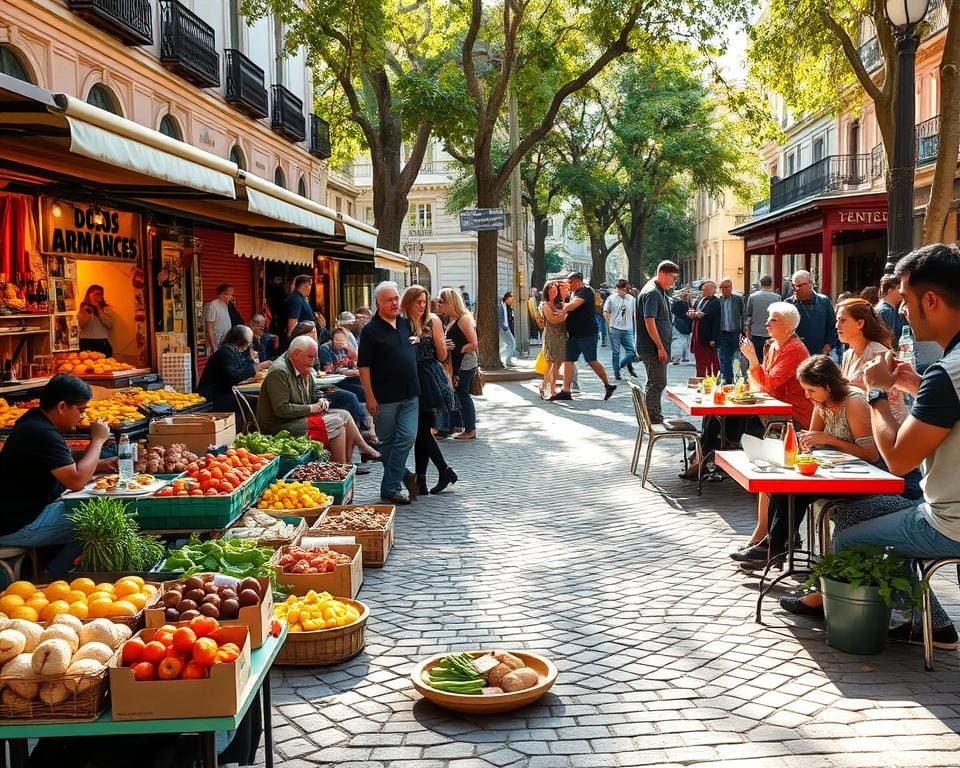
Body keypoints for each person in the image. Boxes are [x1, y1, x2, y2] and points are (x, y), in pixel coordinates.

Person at [779, 243, 960, 648]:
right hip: (939, 508)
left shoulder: (947, 371)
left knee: (850, 537)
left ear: (931, 301)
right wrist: (914, 385)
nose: (901, 311)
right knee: (850, 514)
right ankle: (930, 620)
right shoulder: (946, 371)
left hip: (945, 520)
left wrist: (877, 392)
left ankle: (918, 619)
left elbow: (895, 459)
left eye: (906, 301)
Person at [731, 355, 878, 566]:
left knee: (796, 490)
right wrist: (804, 443)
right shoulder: (822, 402)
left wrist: (828, 439)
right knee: (783, 485)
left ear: (827, 386)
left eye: (811, 390)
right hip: (836, 470)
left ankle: (774, 547)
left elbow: (870, 454)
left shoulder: (853, 402)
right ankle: (774, 545)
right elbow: (812, 437)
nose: (807, 396)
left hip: (863, 477)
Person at [0, 375, 116, 576]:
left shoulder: (33, 420)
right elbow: (77, 481)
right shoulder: (42, 432)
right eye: (80, 410)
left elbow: (59, 462)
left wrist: (99, 465)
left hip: (20, 516)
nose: (82, 417)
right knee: (103, 523)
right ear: (62, 406)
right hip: (18, 525)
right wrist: (98, 440)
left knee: (98, 511)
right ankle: (54, 578)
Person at [257, 336, 379, 466]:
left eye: (314, 358)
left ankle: (355, 454)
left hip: (297, 417)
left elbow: (314, 392)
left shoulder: (300, 364)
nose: (313, 362)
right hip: (281, 426)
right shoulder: (279, 372)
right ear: (296, 353)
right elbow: (281, 409)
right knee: (335, 422)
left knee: (344, 415)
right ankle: (340, 466)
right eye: (310, 357)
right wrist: (311, 408)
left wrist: (322, 400)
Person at [359, 281, 421, 504]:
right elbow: (363, 366)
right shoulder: (370, 330)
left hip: (410, 394)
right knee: (387, 443)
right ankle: (401, 478)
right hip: (384, 397)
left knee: (407, 436)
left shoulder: (406, 324)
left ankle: (390, 486)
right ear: (378, 302)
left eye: (396, 298)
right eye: (389, 300)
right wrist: (369, 396)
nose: (395, 303)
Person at [402, 285, 458, 495]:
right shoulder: (401, 323)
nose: (422, 305)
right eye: (418, 302)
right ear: (408, 302)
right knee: (421, 432)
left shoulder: (432, 320)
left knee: (422, 430)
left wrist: (441, 344)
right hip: (410, 378)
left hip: (428, 378)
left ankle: (437, 474)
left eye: (424, 302)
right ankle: (431, 477)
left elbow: (442, 355)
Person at [836, 298, 907, 422]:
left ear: (860, 324)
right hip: (861, 422)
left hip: (886, 426)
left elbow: (892, 400)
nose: (837, 326)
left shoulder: (879, 354)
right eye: (837, 320)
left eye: (842, 320)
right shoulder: (848, 354)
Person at [550, 272, 616, 402]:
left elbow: (573, 305)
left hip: (587, 333)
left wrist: (564, 308)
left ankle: (608, 385)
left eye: (569, 282)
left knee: (591, 360)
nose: (568, 285)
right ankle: (566, 391)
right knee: (569, 360)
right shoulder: (574, 293)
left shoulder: (585, 292)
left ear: (576, 281)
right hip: (574, 334)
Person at [635, 261, 679, 422]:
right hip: (652, 348)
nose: (674, 282)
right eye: (673, 278)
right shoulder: (653, 292)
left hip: (654, 347)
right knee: (657, 382)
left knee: (656, 381)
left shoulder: (657, 291)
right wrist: (660, 347)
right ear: (663, 274)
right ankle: (652, 418)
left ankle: (653, 415)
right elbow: (649, 320)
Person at [438, 287, 479, 439]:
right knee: (455, 393)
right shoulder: (451, 320)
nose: (439, 305)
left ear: (451, 303)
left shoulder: (463, 319)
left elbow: (474, 343)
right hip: (455, 363)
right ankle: (458, 424)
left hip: (465, 363)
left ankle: (470, 429)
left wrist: (458, 348)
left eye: (442, 302)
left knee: (462, 393)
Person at [196, 325, 264, 415]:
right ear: (240, 341)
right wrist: (256, 368)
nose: (250, 345)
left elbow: (242, 367)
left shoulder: (234, 351)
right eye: (249, 342)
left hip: (223, 394)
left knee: (256, 400)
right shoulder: (225, 353)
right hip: (212, 398)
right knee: (257, 402)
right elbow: (233, 377)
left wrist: (250, 359)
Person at [786, 270, 838, 356]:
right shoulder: (788, 304)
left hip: (820, 354)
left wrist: (828, 345)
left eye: (799, 285)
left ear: (810, 283)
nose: (796, 289)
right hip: (796, 354)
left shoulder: (824, 301)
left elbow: (833, 326)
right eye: (793, 285)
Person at [538, 280, 568, 400]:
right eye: (551, 291)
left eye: (555, 291)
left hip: (562, 336)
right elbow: (552, 320)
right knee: (551, 365)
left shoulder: (561, 303)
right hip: (552, 336)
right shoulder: (545, 305)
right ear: (547, 292)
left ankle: (544, 386)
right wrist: (566, 314)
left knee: (557, 364)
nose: (553, 293)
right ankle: (550, 389)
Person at [603, 278, 637, 379]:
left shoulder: (631, 299)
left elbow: (635, 313)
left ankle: (622, 364)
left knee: (632, 352)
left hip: (628, 329)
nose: (621, 290)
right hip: (615, 328)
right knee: (616, 352)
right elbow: (605, 311)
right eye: (619, 288)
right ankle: (616, 373)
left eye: (623, 288)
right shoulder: (611, 299)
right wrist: (607, 316)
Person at [689, 280, 721, 377]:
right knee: (699, 358)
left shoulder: (715, 302)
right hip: (696, 333)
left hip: (707, 335)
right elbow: (693, 310)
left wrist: (713, 338)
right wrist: (692, 314)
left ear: (712, 290)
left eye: (705, 290)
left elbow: (716, 321)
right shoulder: (700, 300)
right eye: (703, 290)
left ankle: (713, 377)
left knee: (710, 359)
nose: (703, 292)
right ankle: (700, 376)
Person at [717, 277, 746, 383]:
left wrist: (744, 330)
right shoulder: (718, 300)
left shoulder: (738, 299)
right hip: (723, 333)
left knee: (737, 357)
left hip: (735, 332)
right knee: (725, 357)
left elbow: (744, 315)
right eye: (723, 287)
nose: (725, 289)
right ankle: (728, 379)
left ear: (731, 287)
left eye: (727, 287)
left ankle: (738, 377)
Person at [744, 275, 779, 361]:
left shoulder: (753, 297)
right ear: (771, 284)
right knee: (769, 357)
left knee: (756, 357)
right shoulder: (777, 297)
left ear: (760, 284)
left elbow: (748, 314)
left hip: (756, 331)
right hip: (772, 332)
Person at [77, 284, 115, 357]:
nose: (99, 296)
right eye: (96, 294)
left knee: (103, 364)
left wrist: (99, 309)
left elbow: (109, 324)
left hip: (101, 341)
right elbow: (81, 325)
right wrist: (87, 313)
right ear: (89, 294)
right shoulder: (83, 307)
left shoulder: (106, 309)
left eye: (101, 294)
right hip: (85, 341)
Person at [204, 283, 233, 355]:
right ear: (223, 294)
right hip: (216, 345)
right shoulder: (213, 305)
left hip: (225, 343)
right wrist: (213, 348)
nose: (231, 297)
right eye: (230, 294)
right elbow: (209, 328)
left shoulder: (225, 305)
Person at [875, 274, 905, 343]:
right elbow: (889, 341)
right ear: (889, 290)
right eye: (898, 288)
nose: (902, 291)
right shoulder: (885, 311)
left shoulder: (894, 308)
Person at [284, 275, 315, 342]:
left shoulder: (301, 298)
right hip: (302, 342)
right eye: (310, 285)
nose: (311, 288)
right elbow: (291, 330)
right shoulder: (296, 299)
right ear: (305, 285)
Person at [670, 289, 693, 364]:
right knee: (683, 341)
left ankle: (678, 357)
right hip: (685, 324)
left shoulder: (679, 303)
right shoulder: (688, 304)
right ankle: (682, 356)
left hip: (680, 324)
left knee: (679, 340)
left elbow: (673, 311)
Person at [499, 292, 517, 367]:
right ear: (507, 298)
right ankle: (508, 360)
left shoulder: (507, 306)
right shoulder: (501, 306)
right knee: (512, 343)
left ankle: (503, 358)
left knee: (502, 344)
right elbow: (501, 318)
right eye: (511, 299)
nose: (511, 301)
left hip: (506, 327)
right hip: (504, 328)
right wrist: (503, 327)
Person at [595, 283, 611, 347]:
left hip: (596, 311)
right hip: (604, 311)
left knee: (597, 324)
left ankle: (597, 335)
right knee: (604, 326)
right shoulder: (608, 293)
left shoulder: (597, 293)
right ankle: (603, 341)